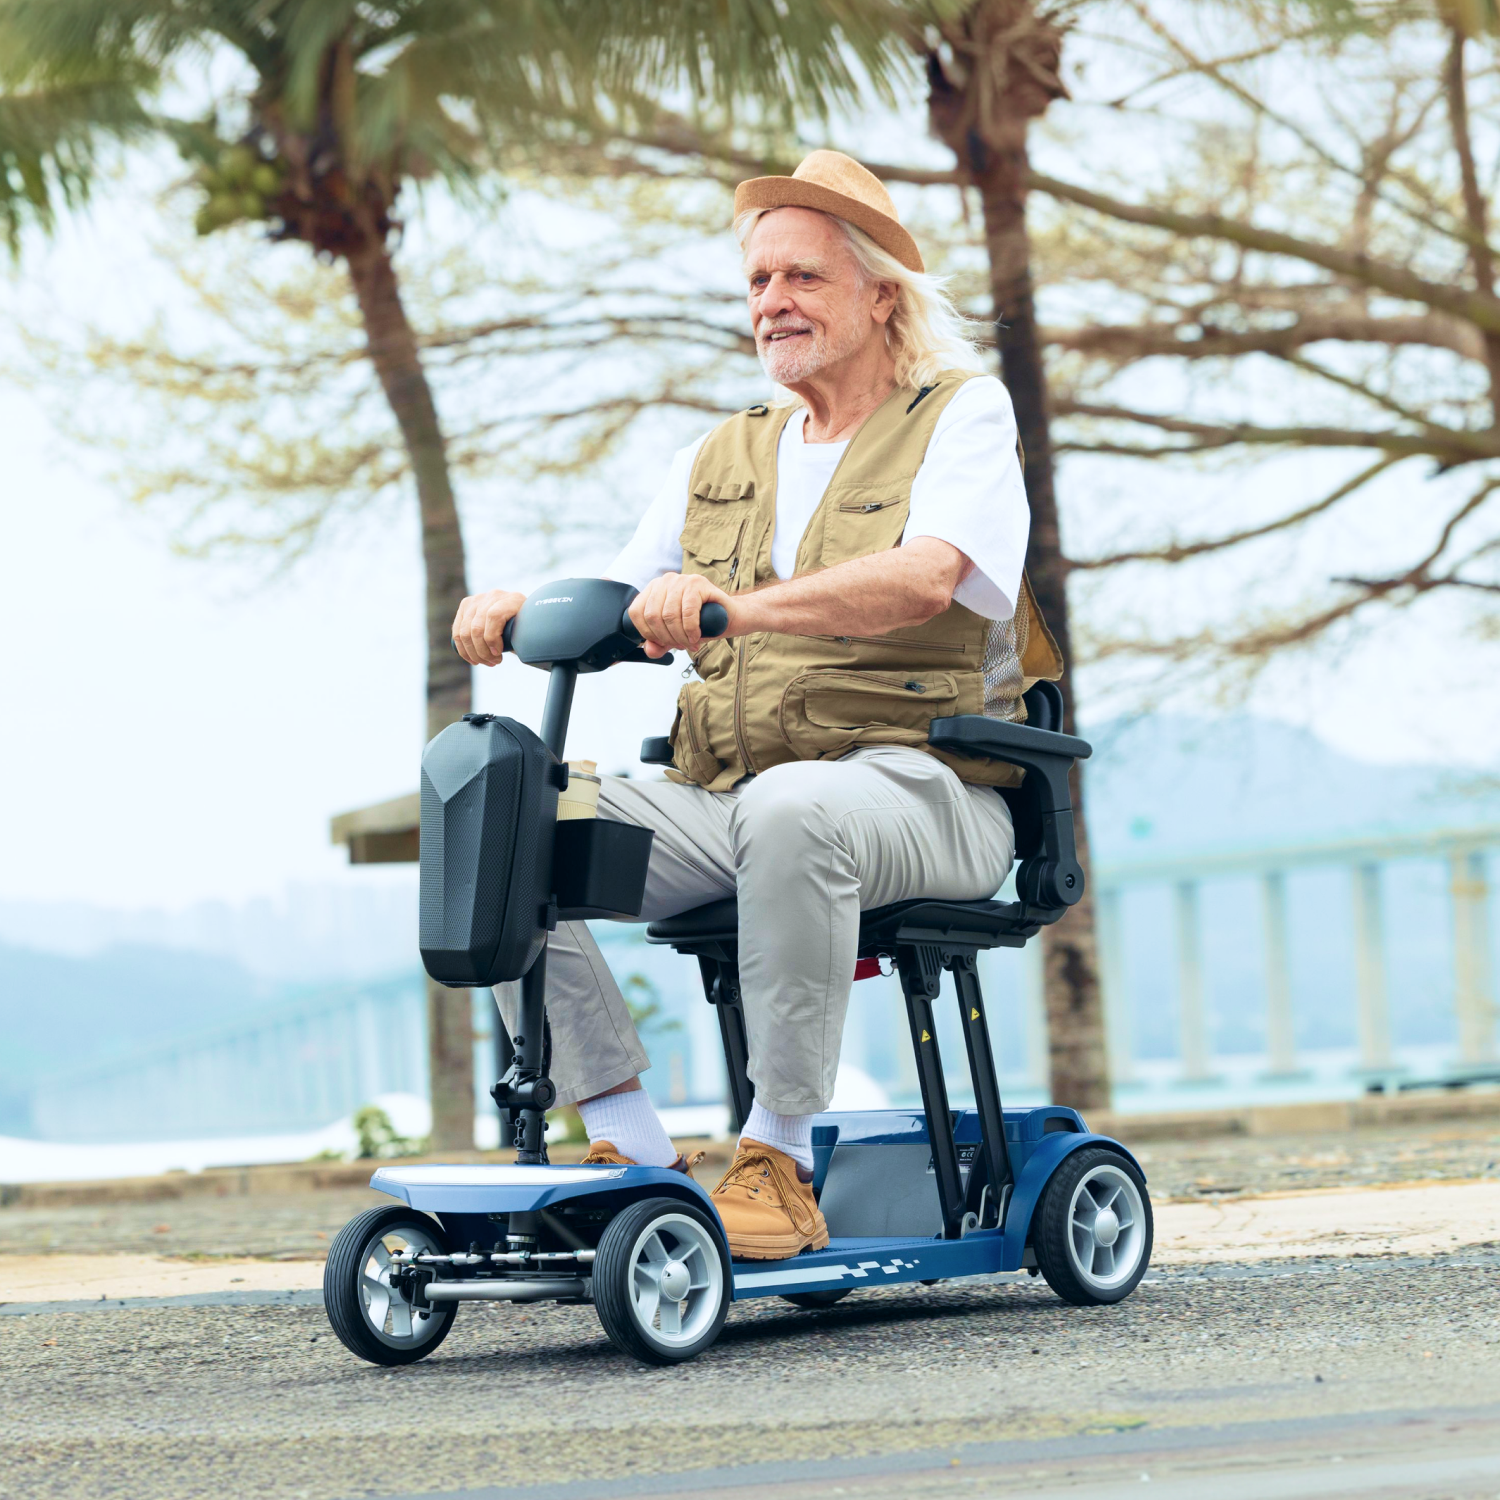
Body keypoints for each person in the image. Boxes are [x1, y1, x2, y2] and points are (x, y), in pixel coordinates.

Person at [452, 150, 1061, 1261]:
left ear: (882, 297)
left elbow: (928, 577)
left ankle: (777, 1163)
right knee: (505, 823)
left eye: (803, 279)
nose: (772, 303)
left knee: (795, 809)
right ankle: (631, 1149)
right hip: (732, 803)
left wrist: (736, 606)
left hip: (932, 795)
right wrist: (519, 605)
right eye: (757, 283)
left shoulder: (963, 416)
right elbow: (628, 603)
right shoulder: (720, 454)